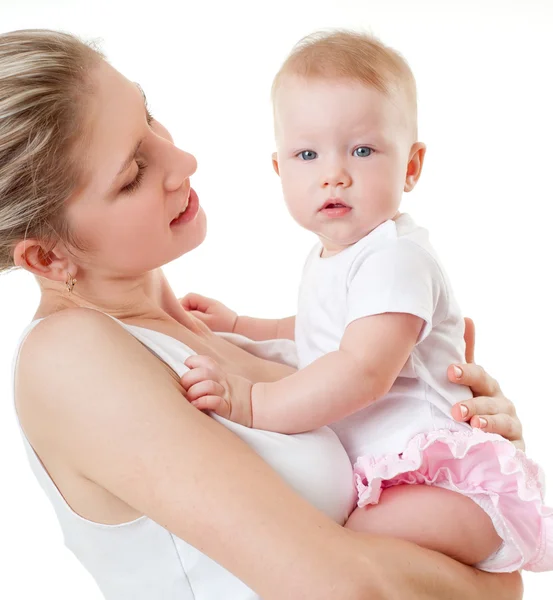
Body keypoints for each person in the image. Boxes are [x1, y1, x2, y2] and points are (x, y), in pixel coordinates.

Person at [2, 28, 524, 599]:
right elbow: (350, 590)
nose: (184, 160)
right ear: (47, 256)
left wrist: (465, 442)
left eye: (150, 118)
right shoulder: (72, 357)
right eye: (132, 174)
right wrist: (495, 583)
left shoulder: (212, 335)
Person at [181, 31, 553, 574]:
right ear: (280, 170)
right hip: (398, 483)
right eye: (307, 154)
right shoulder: (333, 256)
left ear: (412, 166)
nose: (334, 172)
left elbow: (362, 369)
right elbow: (317, 331)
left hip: (447, 484)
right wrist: (243, 324)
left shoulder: (395, 259)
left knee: (342, 553)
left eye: (362, 150)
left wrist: (255, 403)